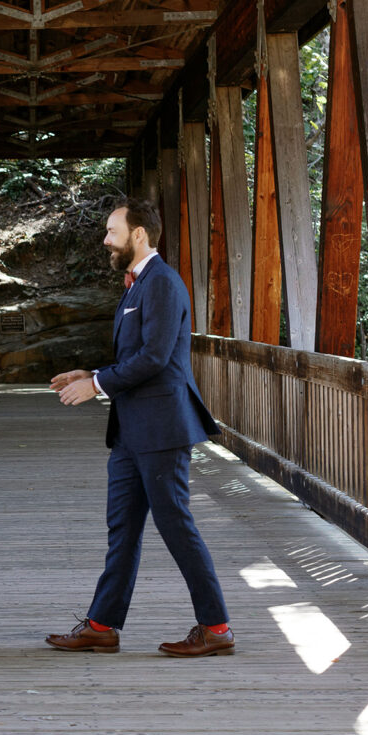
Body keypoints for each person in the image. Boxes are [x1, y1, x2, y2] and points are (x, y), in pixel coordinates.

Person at [46, 198, 234, 658]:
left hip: (162, 428)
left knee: (176, 525)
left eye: (112, 231)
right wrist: (91, 372)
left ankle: (216, 627)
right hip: (132, 431)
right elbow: (139, 355)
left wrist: (97, 384)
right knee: (122, 529)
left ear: (138, 235)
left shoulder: (163, 283)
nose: (105, 240)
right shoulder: (137, 285)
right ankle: (101, 625)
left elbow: (154, 357)